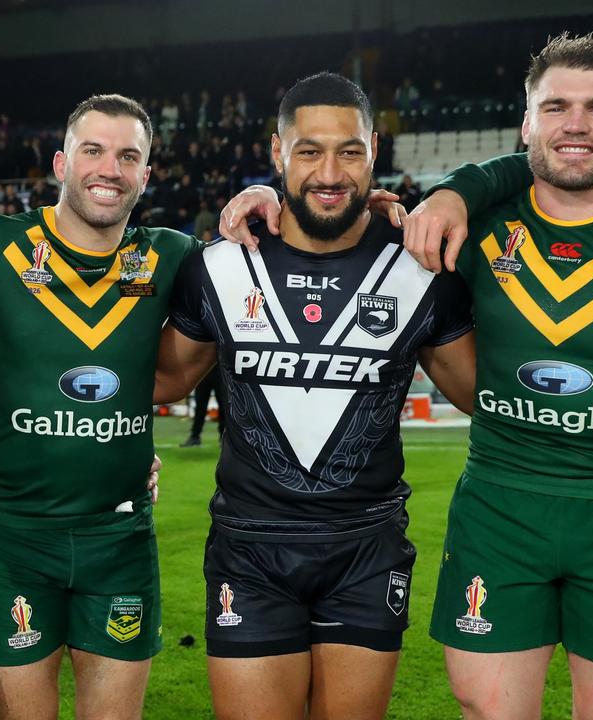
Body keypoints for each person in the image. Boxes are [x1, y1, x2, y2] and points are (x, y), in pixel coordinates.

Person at [393, 34, 593, 720]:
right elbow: (351, 222)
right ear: (526, 123)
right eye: (555, 106)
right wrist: (259, 200)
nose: (575, 123)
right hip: (500, 512)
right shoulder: (472, 225)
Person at [154, 72, 476, 720]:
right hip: (249, 550)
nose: (330, 172)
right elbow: (163, 380)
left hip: (366, 549)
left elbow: (487, 396)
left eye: (349, 151)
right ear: (278, 155)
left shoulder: (422, 270)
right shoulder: (218, 266)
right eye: (308, 151)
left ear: (373, 153)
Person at [0, 94, 197, 720]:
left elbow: (260, 266)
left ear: (146, 175)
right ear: (60, 163)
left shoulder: (173, 258)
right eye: (92, 151)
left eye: (129, 156)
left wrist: (255, 201)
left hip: (119, 535)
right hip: (13, 535)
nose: (110, 168)